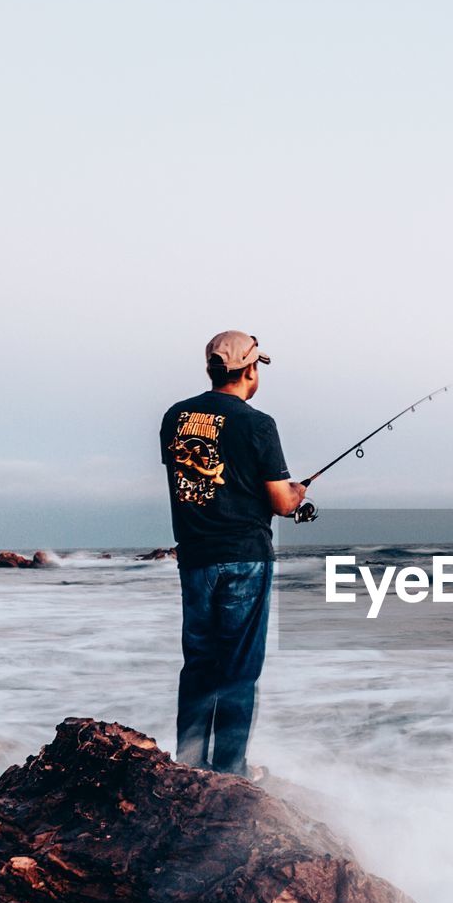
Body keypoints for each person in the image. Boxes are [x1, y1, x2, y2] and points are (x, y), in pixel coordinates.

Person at [159, 330, 306, 777]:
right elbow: (280, 503)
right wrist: (297, 493)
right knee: (239, 670)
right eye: (257, 365)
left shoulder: (175, 418)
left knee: (200, 664)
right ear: (248, 370)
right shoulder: (257, 423)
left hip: (195, 557)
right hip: (245, 556)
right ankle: (229, 772)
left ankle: (188, 767)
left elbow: (200, 483)